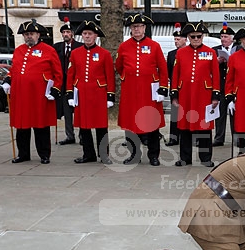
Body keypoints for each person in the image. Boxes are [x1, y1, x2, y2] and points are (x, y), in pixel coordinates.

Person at [3, 19, 62, 164]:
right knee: (21, 125)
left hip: (39, 95)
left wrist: (55, 90)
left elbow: (58, 73)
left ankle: (44, 154)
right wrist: (8, 80)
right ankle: (23, 154)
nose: (28, 36)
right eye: (26, 34)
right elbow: (14, 69)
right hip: (21, 95)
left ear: (38, 35)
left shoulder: (49, 50)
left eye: (31, 34)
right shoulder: (18, 50)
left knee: (41, 125)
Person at [116, 13, 168, 166]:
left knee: (152, 123)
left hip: (149, 91)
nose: (136, 29)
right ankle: (134, 155)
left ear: (144, 28)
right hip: (130, 91)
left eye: (139, 26)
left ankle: (153, 156)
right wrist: (128, 76)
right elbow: (119, 66)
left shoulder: (154, 46)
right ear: (130, 29)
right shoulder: (124, 46)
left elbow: (163, 69)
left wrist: (162, 88)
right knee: (130, 124)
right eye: (134, 27)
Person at [170, 21, 220, 167]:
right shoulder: (180, 53)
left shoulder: (210, 52)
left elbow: (216, 75)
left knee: (204, 126)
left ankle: (205, 158)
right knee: (184, 126)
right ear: (188, 37)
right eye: (193, 36)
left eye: (199, 36)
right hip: (185, 94)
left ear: (203, 37)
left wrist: (215, 95)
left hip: (203, 95)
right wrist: (174, 94)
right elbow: (176, 74)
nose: (196, 39)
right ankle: (185, 158)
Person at [65, 21, 115, 164]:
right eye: (85, 34)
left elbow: (110, 76)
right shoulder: (75, 53)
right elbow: (71, 74)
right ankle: (88, 154)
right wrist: (70, 93)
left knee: (101, 126)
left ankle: (104, 155)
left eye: (90, 34)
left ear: (95, 36)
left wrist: (110, 95)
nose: (87, 36)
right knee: (84, 126)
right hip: (81, 94)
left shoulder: (104, 54)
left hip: (98, 94)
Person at [53, 19, 83, 145]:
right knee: (66, 112)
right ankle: (70, 136)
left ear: (72, 34)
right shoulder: (57, 47)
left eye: (68, 32)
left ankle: (83, 135)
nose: (65, 34)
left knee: (80, 111)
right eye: (64, 32)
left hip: (77, 84)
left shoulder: (80, 46)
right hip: (63, 84)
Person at [212, 23, 239, 147]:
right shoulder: (215, 50)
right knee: (220, 114)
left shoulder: (239, 49)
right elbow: (208, 68)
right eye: (222, 37)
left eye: (226, 37)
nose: (223, 39)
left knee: (235, 114)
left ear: (232, 38)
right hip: (221, 86)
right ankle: (219, 138)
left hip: (234, 87)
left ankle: (237, 138)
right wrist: (216, 62)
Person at [165, 23, 187, 147]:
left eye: (178, 39)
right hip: (175, 87)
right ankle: (174, 138)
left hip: (186, 87)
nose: (176, 41)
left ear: (185, 40)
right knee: (174, 114)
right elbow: (169, 71)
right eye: (175, 39)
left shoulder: (189, 52)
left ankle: (189, 137)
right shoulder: (171, 54)